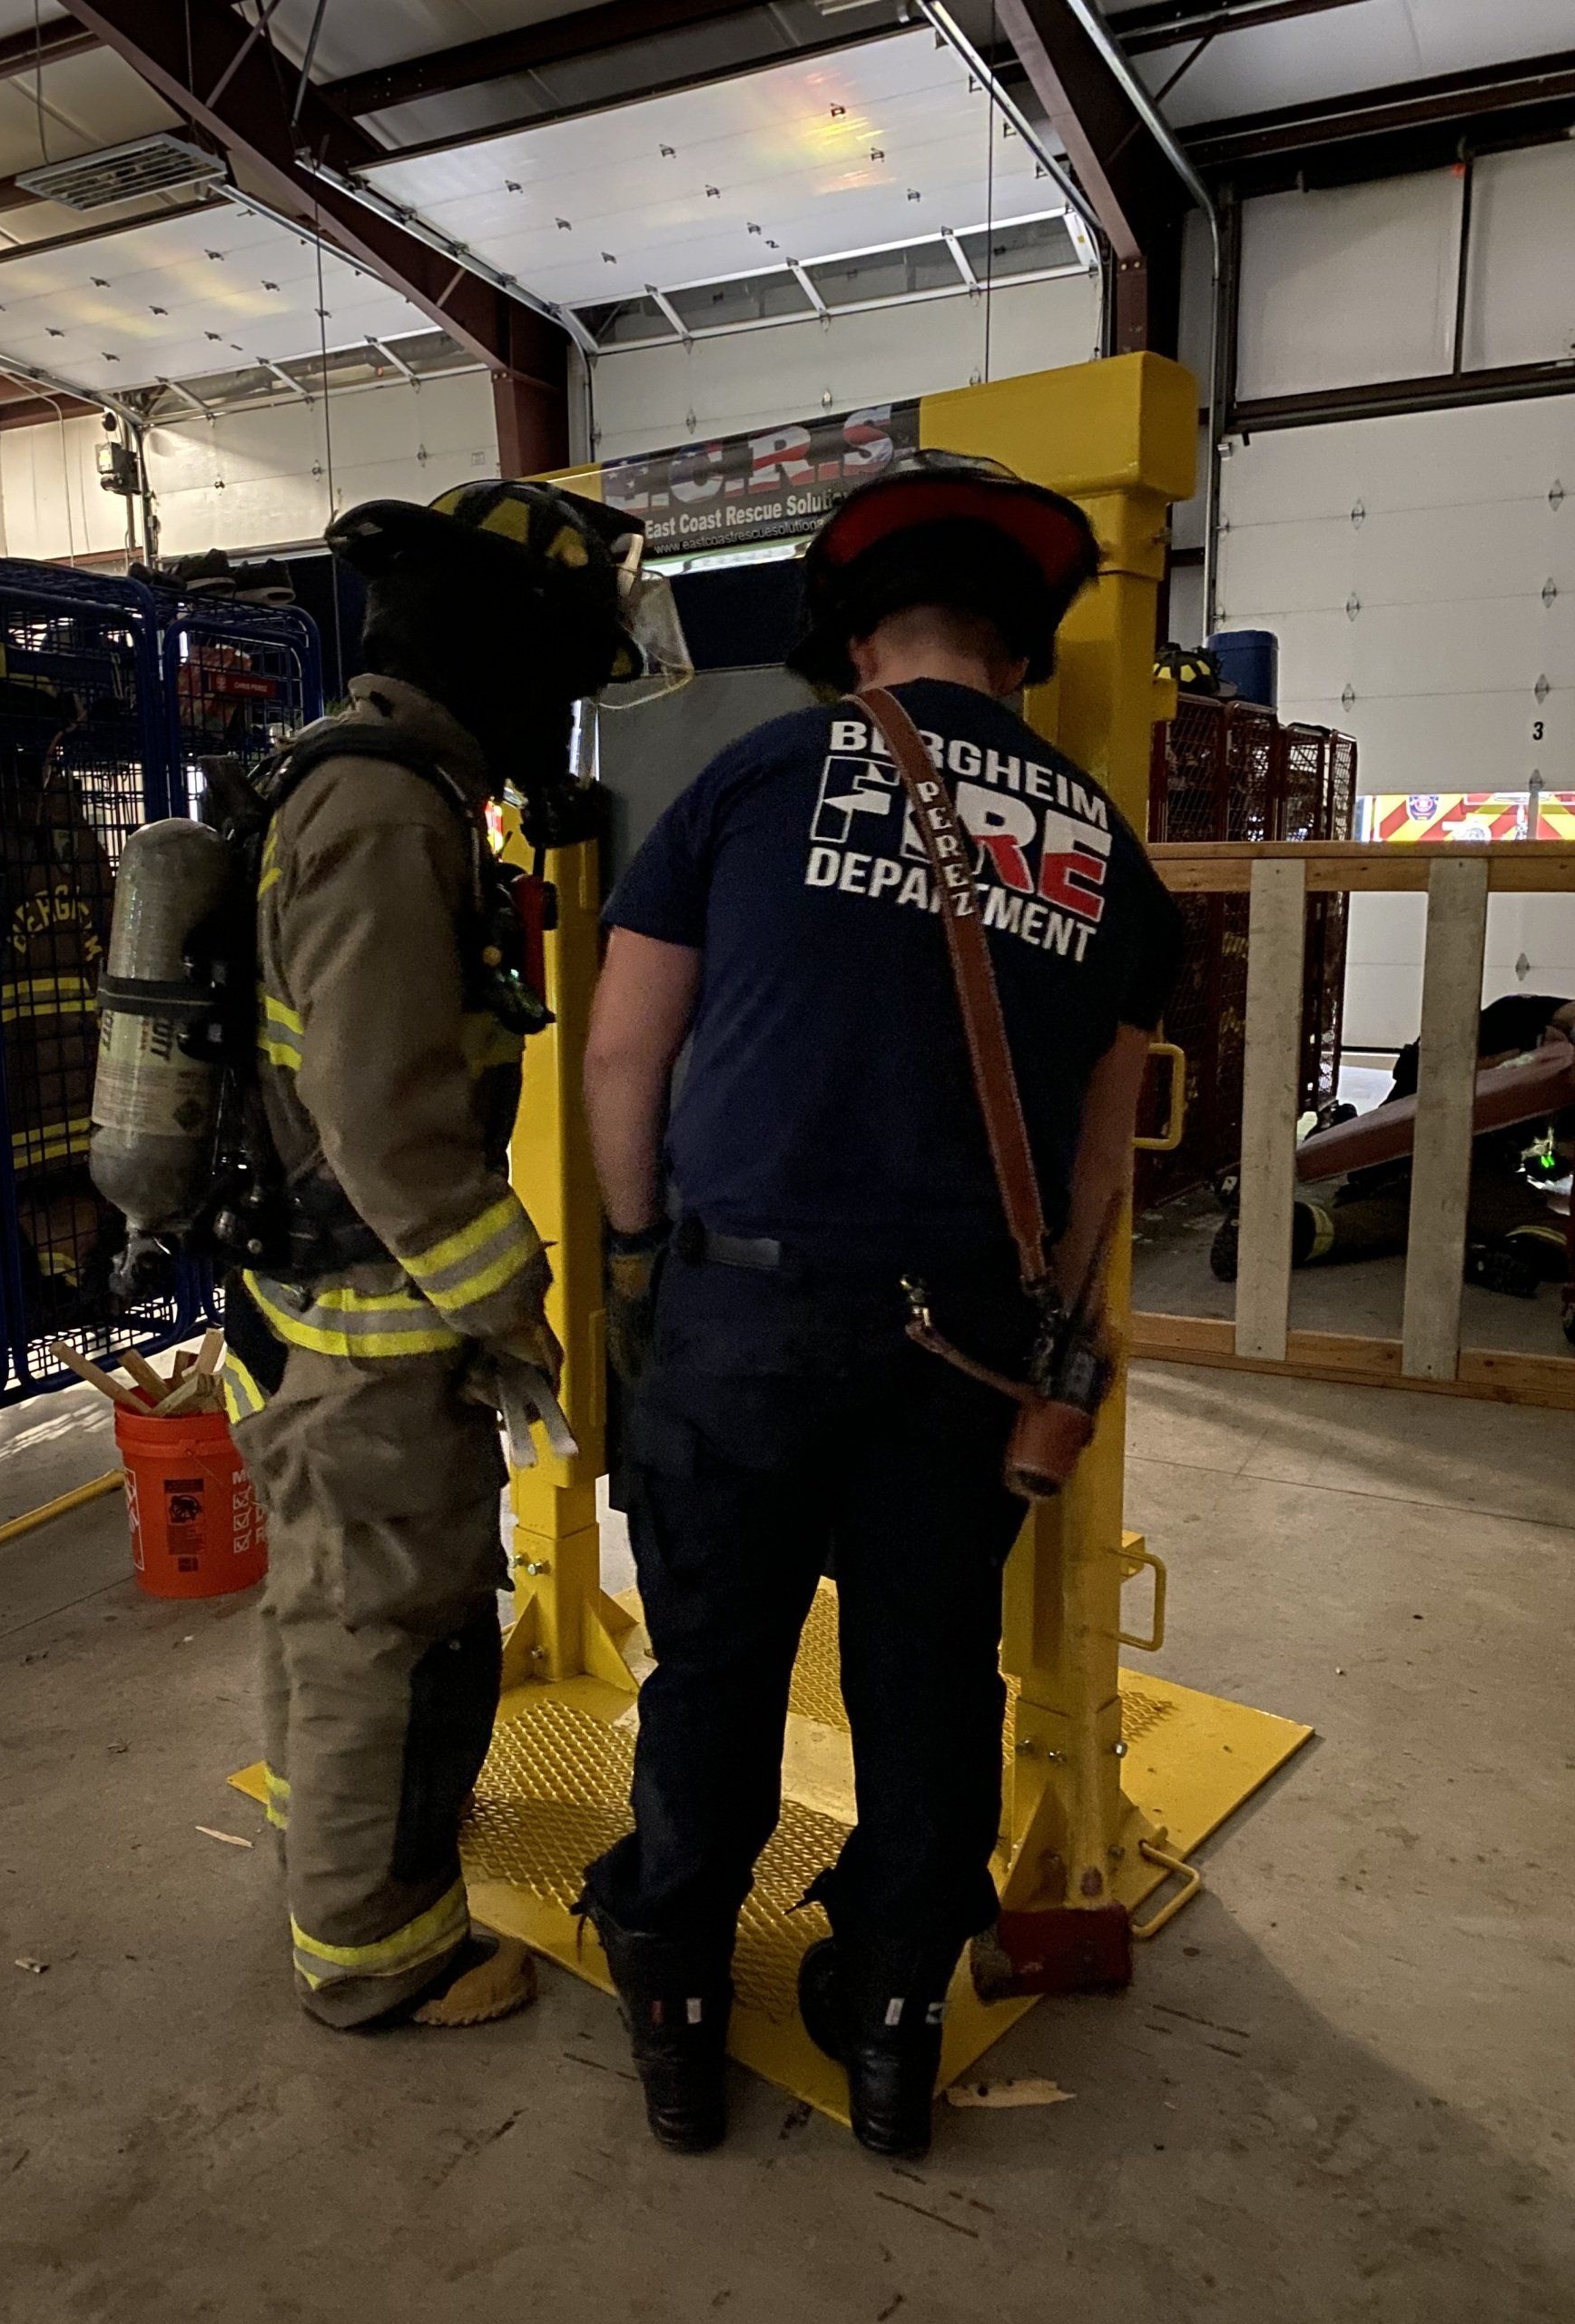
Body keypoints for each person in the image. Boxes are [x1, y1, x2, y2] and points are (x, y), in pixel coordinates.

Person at [578, 453, 1183, 2158]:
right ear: (1025, 647)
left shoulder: (756, 782)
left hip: (744, 1323)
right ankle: (899, 2024)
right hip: (969, 1345)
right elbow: (1095, 1165)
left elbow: (627, 1054)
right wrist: (1047, 1335)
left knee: (713, 1667)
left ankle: (682, 2012)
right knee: (929, 1677)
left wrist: (635, 1267)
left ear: (851, 642)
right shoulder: (1113, 861)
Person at [221, 482, 651, 2032]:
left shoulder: (378, 782)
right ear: (506, 646)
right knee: (381, 1629)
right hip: (369, 1323)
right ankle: (376, 1947)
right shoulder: (387, 810)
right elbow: (390, 1114)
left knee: (343, 1613)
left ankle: (345, 1841)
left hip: (325, 1302)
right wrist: (516, 1312)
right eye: (567, 666)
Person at [1210, 993, 1575, 1294]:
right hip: (1461, 1172)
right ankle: (1498, 1254)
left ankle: (1268, 1230)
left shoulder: (1532, 1043)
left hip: (1390, 1173)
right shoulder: (1519, 1023)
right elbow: (1559, 1156)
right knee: (1551, 1231)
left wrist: (1544, 1164)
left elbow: (1557, 1158)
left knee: (1363, 1228)